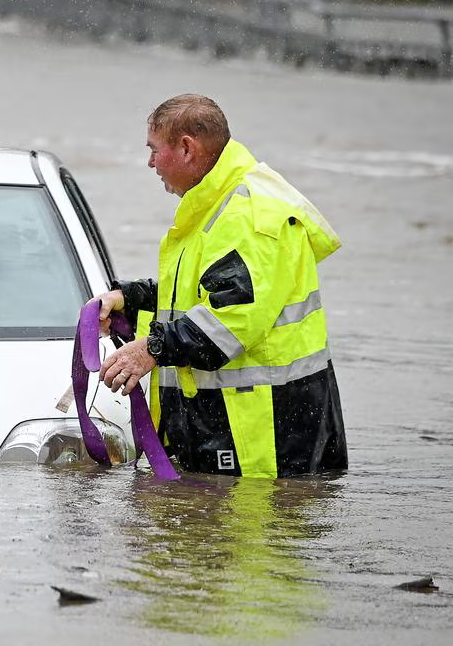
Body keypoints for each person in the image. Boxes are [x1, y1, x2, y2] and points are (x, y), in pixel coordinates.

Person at [94, 94, 347, 477]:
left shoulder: (250, 215)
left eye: (154, 150)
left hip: (265, 440)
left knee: (258, 520)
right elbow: (203, 293)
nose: (150, 163)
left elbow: (229, 323)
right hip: (237, 427)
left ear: (186, 149)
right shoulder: (217, 203)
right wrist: (132, 299)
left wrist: (151, 348)